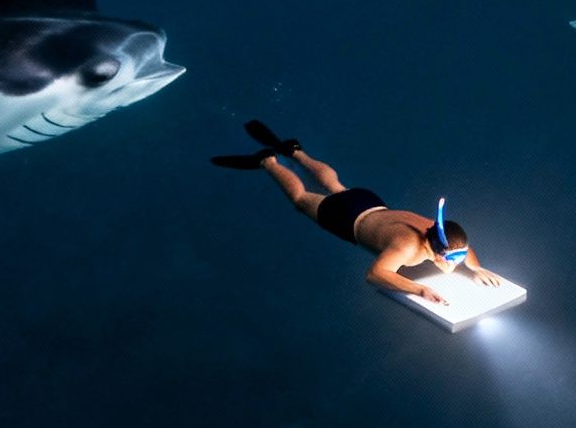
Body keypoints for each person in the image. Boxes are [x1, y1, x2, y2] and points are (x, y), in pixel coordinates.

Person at [212, 121, 503, 306]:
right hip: (346, 218)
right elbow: (375, 274)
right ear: (435, 250)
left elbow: (461, 245)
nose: (454, 264)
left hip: (369, 202)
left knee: (336, 186)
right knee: (301, 200)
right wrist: (418, 290)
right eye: (450, 259)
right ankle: (269, 161)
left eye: (458, 258)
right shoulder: (407, 248)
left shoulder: (436, 230)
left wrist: (476, 267)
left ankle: (297, 152)